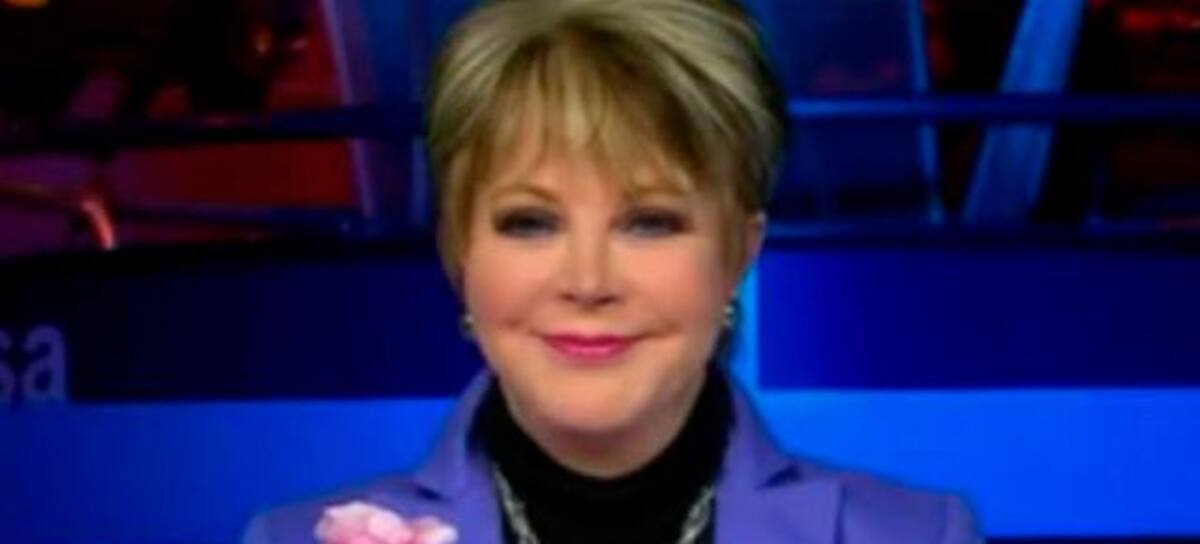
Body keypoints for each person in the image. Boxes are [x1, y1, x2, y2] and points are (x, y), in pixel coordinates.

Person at [244, 0, 982, 542]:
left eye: (648, 222)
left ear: (738, 251)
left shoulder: (920, 536)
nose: (589, 280)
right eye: (531, 222)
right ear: (460, 251)